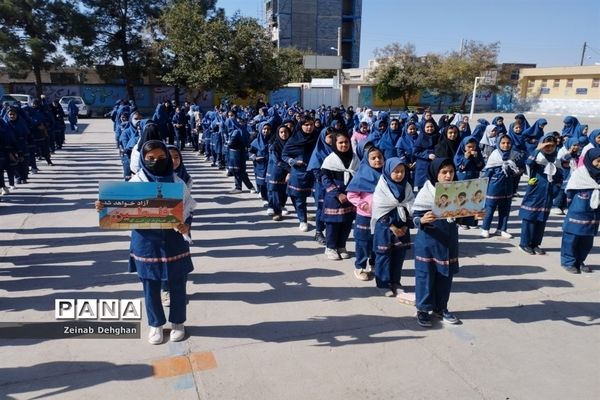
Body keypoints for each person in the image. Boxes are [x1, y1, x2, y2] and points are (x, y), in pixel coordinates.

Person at [95, 140, 195, 344]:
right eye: (150, 159)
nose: (156, 162)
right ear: (142, 159)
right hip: (146, 243)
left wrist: (186, 225)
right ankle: (155, 324)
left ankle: (178, 322)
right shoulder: (135, 183)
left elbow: (189, 209)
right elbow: (119, 210)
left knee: (177, 284)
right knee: (150, 286)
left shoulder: (177, 183)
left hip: (173, 242)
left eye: (161, 158)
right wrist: (104, 207)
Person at [412, 158, 475, 328]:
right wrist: (422, 219)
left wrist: (475, 216)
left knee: (445, 276)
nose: (448, 176)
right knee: (426, 276)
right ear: (435, 173)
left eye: (451, 172)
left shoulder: (458, 192)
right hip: (428, 242)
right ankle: (423, 310)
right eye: (444, 172)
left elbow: (464, 216)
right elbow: (415, 216)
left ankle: (441, 308)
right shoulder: (426, 192)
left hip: (448, 241)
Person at [371, 157, 415, 296]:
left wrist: (406, 226)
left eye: (402, 171)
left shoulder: (407, 186)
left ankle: (396, 282)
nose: (399, 174)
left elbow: (411, 206)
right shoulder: (382, 187)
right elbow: (379, 209)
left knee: (399, 255)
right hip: (385, 227)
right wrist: (392, 226)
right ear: (388, 171)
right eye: (396, 171)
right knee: (383, 256)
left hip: (402, 228)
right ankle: (383, 284)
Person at [518, 133, 560, 255]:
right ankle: (524, 243)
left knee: (541, 220)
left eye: (552, 146)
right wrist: (537, 149)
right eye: (546, 146)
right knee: (530, 218)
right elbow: (528, 163)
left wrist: (556, 189)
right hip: (535, 192)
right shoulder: (538, 159)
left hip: (548, 193)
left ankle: (535, 243)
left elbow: (559, 176)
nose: (549, 148)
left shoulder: (556, 159)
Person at [560, 148, 600, 274]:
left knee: (587, 242)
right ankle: (568, 262)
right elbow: (569, 194)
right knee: (571, 239)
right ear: (589, 161)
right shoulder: (580, 174)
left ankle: (579, 261)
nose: (599, 164)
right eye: (598, 161)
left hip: (593, 215)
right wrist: (577, 206)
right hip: (577, 213)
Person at [346, 142, 383, 279]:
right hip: (365, 215)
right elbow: (351, 195)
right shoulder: (362, 175)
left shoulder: (386, 174)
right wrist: (362, 204)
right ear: (367, 160)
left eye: (380, 157)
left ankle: (374, 264)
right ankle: (360, 266)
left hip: (380, 215)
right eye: (373, 158)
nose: (377, 160)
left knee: (377, 241)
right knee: (363, 242)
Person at [320, 132, 359, 260]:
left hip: (351, 196)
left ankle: (342, 245)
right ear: (335, 144)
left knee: (347, 222)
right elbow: (325, 179)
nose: (344, 145)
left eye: (346, 142)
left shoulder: (354, 158)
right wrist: (337, 194)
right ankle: (330, 247)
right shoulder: (330, 159)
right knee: (333, 223)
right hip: (334, 197)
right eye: (340, 143)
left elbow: (359, 176)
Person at [480, 134, 522, 238]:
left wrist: (518, 172)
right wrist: (482, 185)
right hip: (494, 187)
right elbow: (488, 172)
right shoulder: (494, 155)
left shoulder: (514, 155)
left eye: (508, 143)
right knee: (490, 209)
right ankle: (485, 228)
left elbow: (519, 169)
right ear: (498, 144)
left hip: (507, 187)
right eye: (503, 143)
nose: (506, 145)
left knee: (505, 210)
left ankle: (502, 229)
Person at [282, 117, 318, 232]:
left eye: (311, 124)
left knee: (319, 197)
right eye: (306, 125)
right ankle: (303, 220)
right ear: (301, 126)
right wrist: (293, 162)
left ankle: (320, 219)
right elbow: (284, 155)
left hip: (315, 172)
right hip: (299, 172)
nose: (309, 127)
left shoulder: (317, 138)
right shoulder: (294, 139)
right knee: (299, 199)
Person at [267, 125, 291, 221]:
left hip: (288, 172)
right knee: (276, 192)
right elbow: (277, 161)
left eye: (286, 132)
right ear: (278, 133)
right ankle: (277, 212)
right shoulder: (275, 145)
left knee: (284, 192)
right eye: (281, 132)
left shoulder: (292, 144)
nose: (284, 134)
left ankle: (281, 206)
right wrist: (290, 168)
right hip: (277, 172)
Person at [413, 120, 439, 189]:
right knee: (423, 188)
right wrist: (427, 155)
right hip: (423, 165)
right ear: (423, 128)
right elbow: (415, 152)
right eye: (427, 127)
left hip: (435, 164)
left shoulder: (438, 136)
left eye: (431, 126)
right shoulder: (421, 137)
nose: (430, 128)